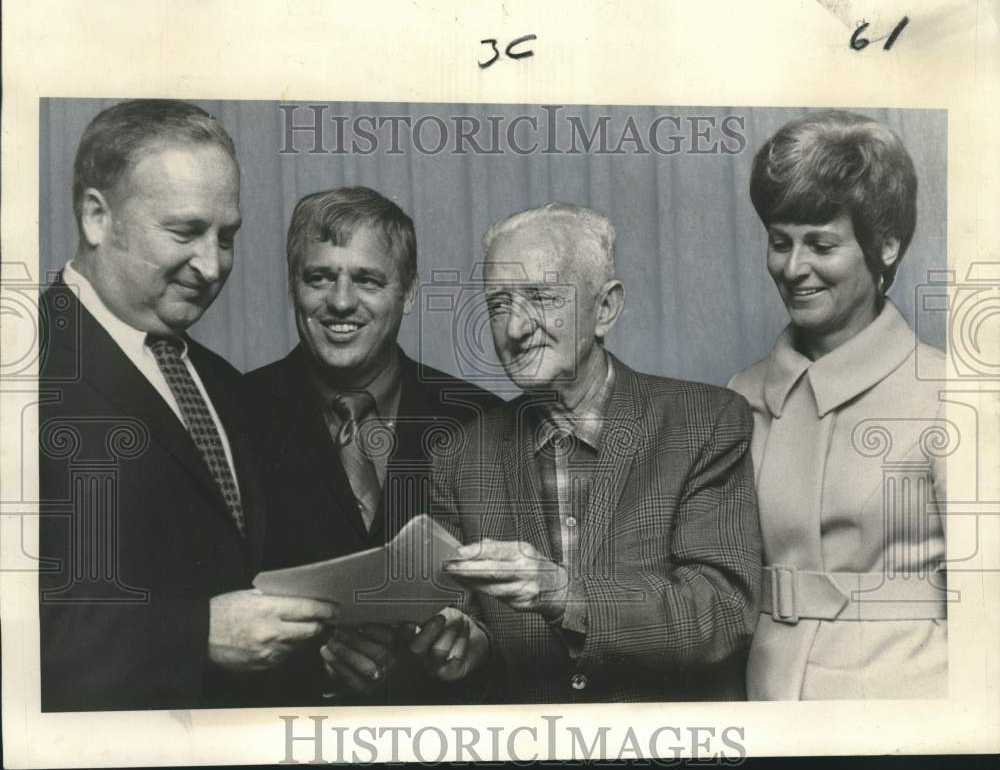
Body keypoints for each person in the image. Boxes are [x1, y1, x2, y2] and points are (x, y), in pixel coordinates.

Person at [38, 100, 339, 712]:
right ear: (97, 217)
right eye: (184, 232)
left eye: (226, 237)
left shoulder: (222, 383)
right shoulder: (24, 368)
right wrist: (193, 635)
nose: (212, 266)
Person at [411, 202, 762, 703]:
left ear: (606, 308)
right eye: (498, 304)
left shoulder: (705, 422)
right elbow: (466, 618)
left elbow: (723, 614)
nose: (514, 328)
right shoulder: (460, 455)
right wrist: (464, 645)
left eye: (541, 296)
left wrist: (563, 593)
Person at [243, 186, 500, 704]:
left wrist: (479, 639)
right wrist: (310, 659)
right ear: (294, 286)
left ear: (407, 291)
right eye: (319, 277)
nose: (340, 301)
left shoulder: (482, 418)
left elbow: (520, 609)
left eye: (367, 279)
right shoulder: (232, 411)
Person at [728, 110, 948, 700]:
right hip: (764, 704)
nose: (793, 268)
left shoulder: (951, 396)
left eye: (821, 244)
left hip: (910, 708)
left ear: (886, 246)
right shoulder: (740, 395)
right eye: (780, 241)